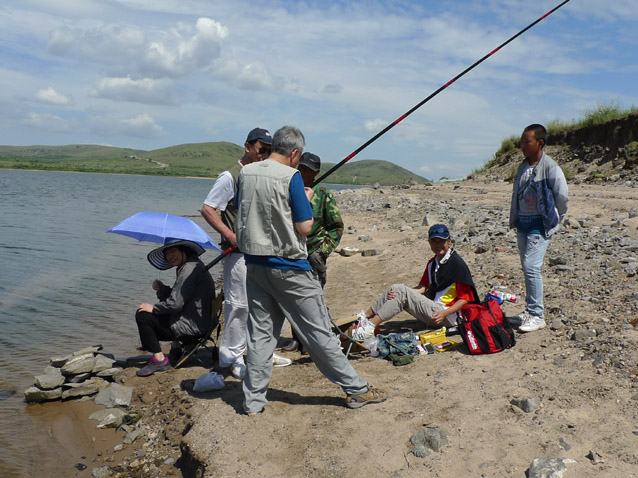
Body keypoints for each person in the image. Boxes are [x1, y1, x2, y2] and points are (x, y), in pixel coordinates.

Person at [236, 125, 387, 414]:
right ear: (294, 153)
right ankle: (357, 390)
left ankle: (253, 402)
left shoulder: (246, 172)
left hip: (254, 265)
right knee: (319, 333)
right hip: (290, 267)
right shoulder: (292, 177)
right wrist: (303, 200)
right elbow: (304, 227)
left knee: (259, 336)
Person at [201, 127, 291, 379]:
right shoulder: (231, 176)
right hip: (238, 254)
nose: (265, 155)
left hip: (264, 250)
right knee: (238, 306)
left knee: (267, 302)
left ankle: (262, 352)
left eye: (269, 151)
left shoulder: (262, 174)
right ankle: (231, 357)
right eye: (261, 149)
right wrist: (230, 236)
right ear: (248, 146)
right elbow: (208, 209)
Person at [351, 224, 479, 340]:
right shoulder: (432, 263)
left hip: (448, 316)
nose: (438, 245)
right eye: (434, 241)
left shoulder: (457, 264)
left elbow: (466, 299)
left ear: (449, 241)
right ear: (429, 243)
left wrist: (444, 313)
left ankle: (370, 326)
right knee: (395, 288)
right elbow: (422, 287)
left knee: (401, 290)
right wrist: (398, 293)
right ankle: (364, 317)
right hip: (435, 309)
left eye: (442, 241)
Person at [281, 152, 344, 352]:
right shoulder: (291, 189)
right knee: (293, 298)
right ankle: (297, 339)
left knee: (313, 299)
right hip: (292, 253)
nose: (303, 172)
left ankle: (314, 340)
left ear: (316, 172)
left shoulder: (323, 194)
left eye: (307, 169)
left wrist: (323, 251)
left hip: (314, 254)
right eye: (300, 167)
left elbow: (336, 227)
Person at [509, 124, 569, 332]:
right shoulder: (522, 166)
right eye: (522, 141)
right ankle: (529, 310)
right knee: (527, 267)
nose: (522, 145)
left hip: (540, 227)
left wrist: (555, 219)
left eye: (527, 141)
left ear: (540, 143)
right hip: (523, 226)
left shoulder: (550, 166)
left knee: (532, 266)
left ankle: (537, 314)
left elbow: (562, 196)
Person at [135, 240, 215, 377]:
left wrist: (153, 308)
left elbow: (175, 304)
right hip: (200, 322)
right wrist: (163, 290)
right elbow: (181, 297)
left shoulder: (189, 269)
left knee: (142, 314)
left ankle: (159, 360)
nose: (170, 256)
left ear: (184, 251)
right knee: (153, 311)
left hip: (192, 327)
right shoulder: (192, 265)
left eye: (173, 252)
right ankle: (175, 346)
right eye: (167, 253)